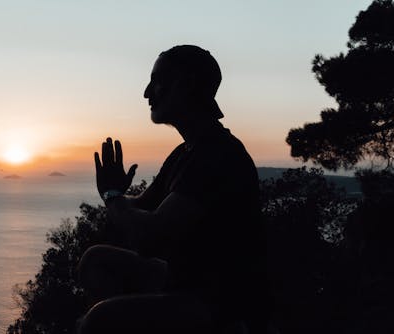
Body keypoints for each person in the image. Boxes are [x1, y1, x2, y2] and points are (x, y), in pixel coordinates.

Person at [75, 45, 268, 334]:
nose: (147, 92)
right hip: (184, 279)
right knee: (96, 261)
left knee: (98, 320)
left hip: (218, 300)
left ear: (186, 84)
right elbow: (140, 207)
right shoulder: (185, 153)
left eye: (157, 80)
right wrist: (115, 194)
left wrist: (113, 197)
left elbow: (150, 234)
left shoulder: (216, 155)